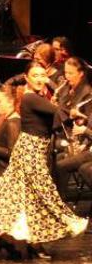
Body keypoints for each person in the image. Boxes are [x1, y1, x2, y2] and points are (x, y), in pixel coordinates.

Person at [0, 63, 88, 259]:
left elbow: (54, 114)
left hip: (36, 150)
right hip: (29, 151)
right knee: (41, 195)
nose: (40, 79)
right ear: (27, 78)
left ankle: (19, 240)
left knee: (28, 198)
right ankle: (37, 237)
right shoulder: (30, 97)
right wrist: (73, 113)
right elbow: (58, 112)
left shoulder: (38, 97)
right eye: (35, 75)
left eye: (43, 75)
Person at [53, 57, 92, 198]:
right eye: (66, 73)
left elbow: (87, 121)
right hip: (67, 134)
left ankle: (60, 200)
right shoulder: (66, 89)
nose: (67, 77)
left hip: (82, 141)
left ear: (81, 73)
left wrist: (80, 122)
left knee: (60, 164)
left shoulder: (87, 93)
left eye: (71, 73)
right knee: (52, 157)